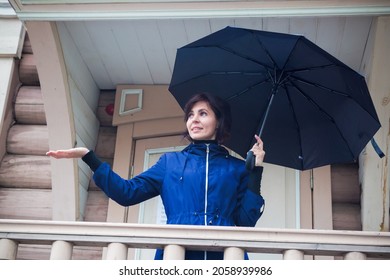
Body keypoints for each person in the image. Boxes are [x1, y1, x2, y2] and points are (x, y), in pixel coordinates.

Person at [46, 92, 266, 260]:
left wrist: (255, 171)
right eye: (190, 115)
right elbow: (126, 193)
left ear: (219, 121)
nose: (194, 120)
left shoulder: (237, 168)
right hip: (176, 256)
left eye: (203, 113)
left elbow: (245, 221)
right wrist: (89, 157)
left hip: (226, 260)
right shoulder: (170, 163)